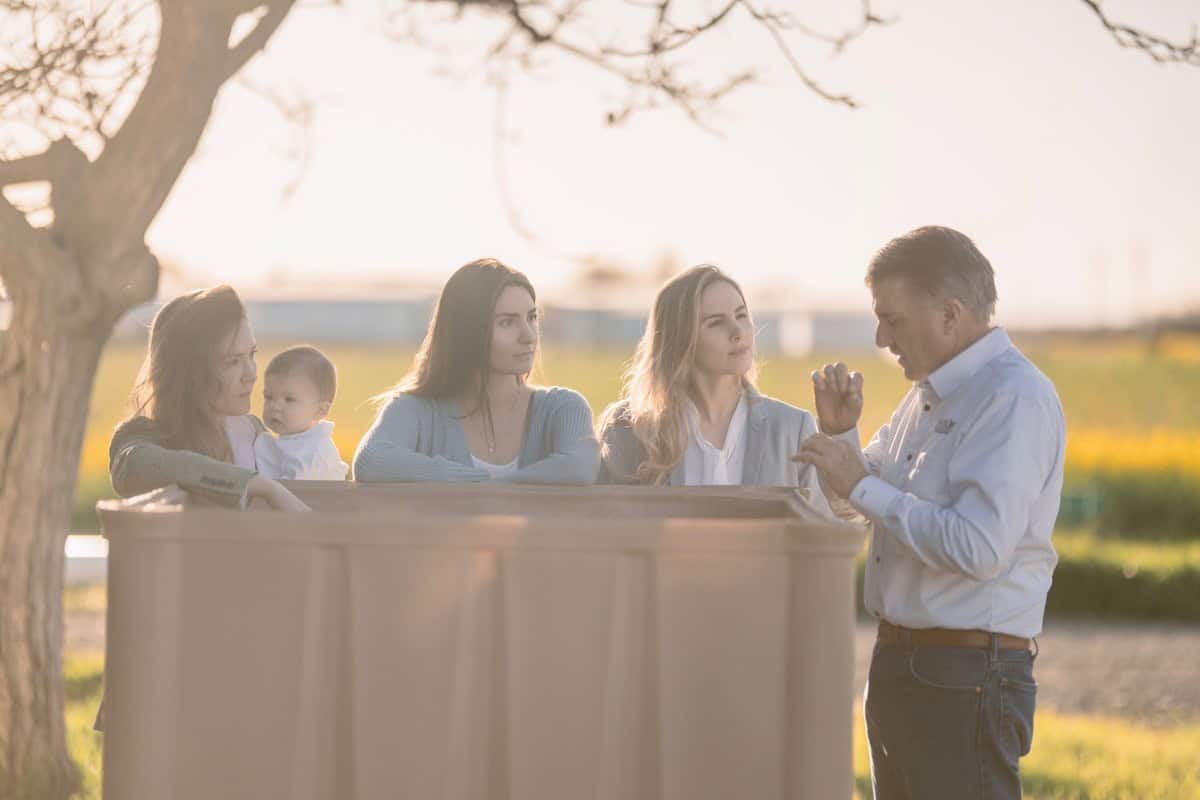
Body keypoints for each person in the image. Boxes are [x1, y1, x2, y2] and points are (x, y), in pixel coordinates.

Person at [795, 226, 1066, 799]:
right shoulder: (925, 395)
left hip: (965, 681)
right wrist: (842, 438)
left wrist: (863, 483)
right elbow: (860, 504)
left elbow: (979, 548)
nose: (881, 338)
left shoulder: (1013, 399)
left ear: (949, 314)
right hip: (903, 667)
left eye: (893, 320)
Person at [597, 265, 829, 510]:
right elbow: (606, 531)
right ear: (680, 339)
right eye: (716, 323)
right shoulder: (628, 429)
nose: (738, 331)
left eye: (741, 316)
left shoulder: (792, 428)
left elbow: (824, 533)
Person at [353, 258, 599, 484]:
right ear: (467, 332)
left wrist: (499, 486)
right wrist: (466, 480)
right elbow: (371, 459)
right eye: (507, 322)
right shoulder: (416, 409)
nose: (528, 335)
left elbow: (579, 467)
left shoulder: (562, 407)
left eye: (531, 317)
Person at [109, 284, 309, 511]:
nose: (251, 375)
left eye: (251, 355)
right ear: (191, 372)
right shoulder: (143, 436)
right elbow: (134, 466)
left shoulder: (253, 432)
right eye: (232, 361)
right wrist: (256, 484)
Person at [253, 345, 349, 480]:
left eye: (289, 399)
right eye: (269, 397)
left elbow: (296, 492)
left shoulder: (314, 452)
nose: (275, 406)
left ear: (319, 411)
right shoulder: (293, 441)